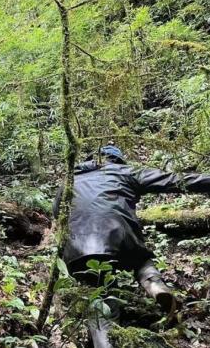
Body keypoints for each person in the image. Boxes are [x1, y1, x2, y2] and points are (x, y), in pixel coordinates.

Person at [54, 145, 210, 348]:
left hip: (76, 248)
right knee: (140, 260)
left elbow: (57, 213)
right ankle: (154, 285)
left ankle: (104, 342)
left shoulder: (69, 180)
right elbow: (173, 180)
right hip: (120, 235)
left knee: (100, 294)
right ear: (117, 160)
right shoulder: (123, 172)